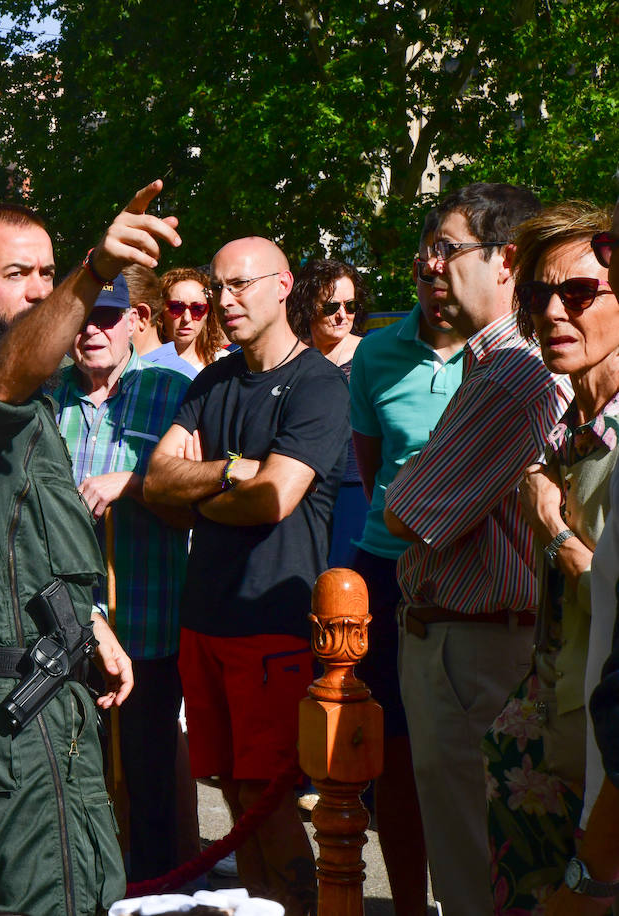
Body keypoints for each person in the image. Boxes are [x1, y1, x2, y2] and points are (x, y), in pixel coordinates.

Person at [0, 183, 175, 915]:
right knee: (57, 900)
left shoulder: (36, 403)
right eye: (16, 274)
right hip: (8, 715)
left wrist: (87, 623)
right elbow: (3, 380)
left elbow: (18, 541)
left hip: (17, 693)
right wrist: (92, 274)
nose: (40, 290)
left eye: (48, 273)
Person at [143, 237, 349, 913]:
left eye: (239, 285)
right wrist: (232, 470)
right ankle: (261, 902)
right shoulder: (212, 381)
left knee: (269, 803)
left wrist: (195, 489)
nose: (223, 302)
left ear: (284, 285)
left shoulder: (318, 384)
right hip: (204, 621)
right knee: (233, 795)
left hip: (273, 626)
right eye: (216, 287)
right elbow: (154, 482)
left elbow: (275, 498)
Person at [383, 182, 567, 916]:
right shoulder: (499, 365)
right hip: (476, 642)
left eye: (447, 247)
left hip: (474, 651)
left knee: (471, 870)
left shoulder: (513, 373)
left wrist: (414, 480)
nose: (431, 264)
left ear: (505, 261)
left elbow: (407, 509)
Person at [480, 202, 617, 911]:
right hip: (547, 758)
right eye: (536, 296)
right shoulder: (567, 429)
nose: (553, 313)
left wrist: (555, 532)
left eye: (580, 293)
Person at [50, 272, 192, 882]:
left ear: (135, 319)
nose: (93, 330)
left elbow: (197, 491)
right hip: (66, 624)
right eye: (83, 316)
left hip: (148, 617)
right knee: (75, 775)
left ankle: (156, 889)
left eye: (107, 317)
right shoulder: (47, 397)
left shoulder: (173, 390)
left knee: (149, 776)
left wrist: (131, 484)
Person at [345, 214, 466, 916]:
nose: (433, 278)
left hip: (475, 578)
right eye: (424, 263)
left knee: (461, 758)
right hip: (386, 568)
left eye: (447, 263)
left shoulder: (512, 355)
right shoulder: (376, 353)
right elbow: (374, 474)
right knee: (391, 753)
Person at [287, 258, 370, 569]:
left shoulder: (370, 355)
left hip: (356, 491)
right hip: (300, 491)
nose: (342, 315)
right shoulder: (294, 358)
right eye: (331, 306)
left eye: (351, 306)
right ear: (308, 306)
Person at [145, 266, 222, 379]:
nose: (187, 318)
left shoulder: (222, 365)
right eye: (176, 307)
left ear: (207, 313)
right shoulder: (143, 364)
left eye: (197, 309)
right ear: (161, 312)